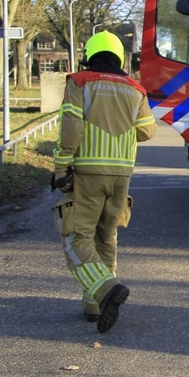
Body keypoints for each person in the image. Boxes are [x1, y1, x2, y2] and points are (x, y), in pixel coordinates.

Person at [53, 32, 157, 333]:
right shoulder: (136, 89)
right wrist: (121, 133)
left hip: (87, 171)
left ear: (90, 53)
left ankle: (106, 289)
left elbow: (71, 127)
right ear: (120, 56)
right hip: (121, 175)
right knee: (106, 235)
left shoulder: (81, 81)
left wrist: (61, 168)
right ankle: (95, 305)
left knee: (76, 236)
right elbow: (147, 131)